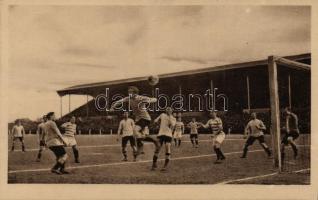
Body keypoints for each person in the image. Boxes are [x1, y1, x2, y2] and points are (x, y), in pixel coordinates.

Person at [110, 86, 160, 170]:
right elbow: (119, 101)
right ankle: (149, 142)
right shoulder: (128, 98)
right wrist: (113, 106)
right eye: (128, 92)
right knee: (136, 135)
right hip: (138, 119)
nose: (129, 93)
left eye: (131, 92)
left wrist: (149, 100)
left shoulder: (140, 98)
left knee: (135, 131)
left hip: (145, 118)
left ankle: (152, 141)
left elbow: (154, 99)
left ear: (135, 93)